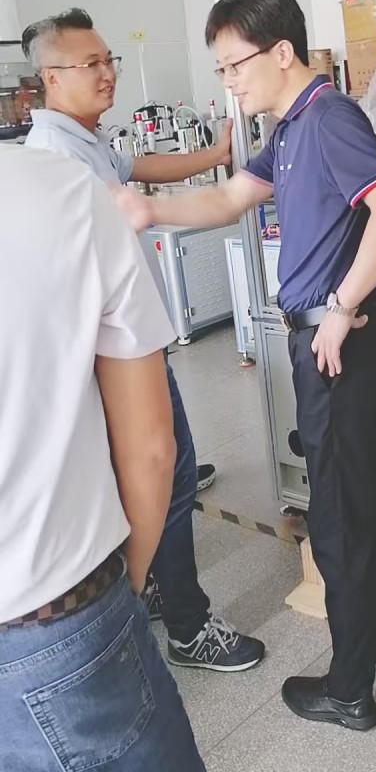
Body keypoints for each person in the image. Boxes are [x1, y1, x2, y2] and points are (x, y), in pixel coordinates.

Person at [115, 0, 376, 731]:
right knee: (369, 495)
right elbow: (228, 199)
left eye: (234, 65)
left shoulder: (329, 118)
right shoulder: (288, 129)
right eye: (219, 68)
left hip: (338, 340)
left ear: (281, 52)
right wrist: (150, 209)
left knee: (339, 515)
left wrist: (340, 308)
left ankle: (349, 690)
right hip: (337, 337)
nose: (228, 81)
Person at [22, 9, 265, 673]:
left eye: (110, 60)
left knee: (159, 469)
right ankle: (186, 625)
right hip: (114, 355)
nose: (107, 73)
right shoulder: (56, 160)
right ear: (51, 77)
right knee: (169, 471)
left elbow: (140, 164)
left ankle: (151, 583)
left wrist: (217, 156)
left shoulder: (85, 139)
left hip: (133, 341)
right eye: (91, 64)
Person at [0, 145, 205, 772]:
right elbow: (151, 449)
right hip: (55, 615)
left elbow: (154, 167)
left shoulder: (92, 164)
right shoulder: (60, 187)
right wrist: (124, 587)